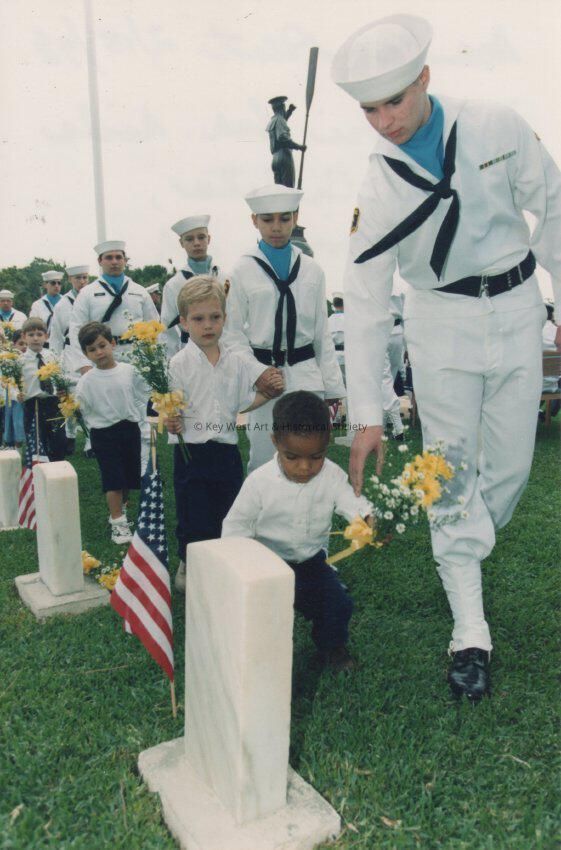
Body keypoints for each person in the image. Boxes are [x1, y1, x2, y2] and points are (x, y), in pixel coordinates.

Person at [331, 14, 561, 700]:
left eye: (393, 102)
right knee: (450, 472)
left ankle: (459, 543)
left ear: (425, 78)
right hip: (439, 322)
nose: (384, 122)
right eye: (369, 110)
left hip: (516, 307)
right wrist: (367, 414)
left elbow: (552, 209)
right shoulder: (378, 185)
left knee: (510, 469)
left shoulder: (494, 125)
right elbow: (364, 301)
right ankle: (469, 632)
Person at [222, 391, 372, 672]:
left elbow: (351, 501)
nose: (305, 467)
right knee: (265, 615)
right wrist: (241, 566)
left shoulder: (332, 476)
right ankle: (264, 655)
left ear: (327, 444)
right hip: (267, 565)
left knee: (336, 604)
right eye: (292, 457)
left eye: (316, 457)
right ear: (275, 442)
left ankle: (332, 648)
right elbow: (236, 527)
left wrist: (365, 517)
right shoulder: (259, 483)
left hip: (311, 563)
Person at [165, 276, 283, 592]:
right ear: (184, 322)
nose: (208, 325)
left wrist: (267, 395)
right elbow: (170, 408)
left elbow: (243, 402)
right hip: (191, 452)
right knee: (193, 512)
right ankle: (190, 561)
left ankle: (226, 562)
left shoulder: (236, 362)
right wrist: (171, 420)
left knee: (228, 509)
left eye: (215, 317)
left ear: (225, 319)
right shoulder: (178, 364)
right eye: (198, 319)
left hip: (226, 451)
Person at [222, 184, 345, 474]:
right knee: (264, 460)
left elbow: (321, 332)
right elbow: (232, 333)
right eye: (267, 219)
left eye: (284, 218)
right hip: (265, 379)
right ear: (254, 220)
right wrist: (257, 372)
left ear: (296, 218)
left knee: (308, 456)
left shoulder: (312, 269)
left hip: (306, 374)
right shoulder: (241, 270)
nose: (276, 227)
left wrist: (332, 386)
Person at [75, 322, 149, 545]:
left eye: (102, 346)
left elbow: (141, 393)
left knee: (127, 477)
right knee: (113, 479)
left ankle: (121, 510)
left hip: (129, 429)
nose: (99, 352)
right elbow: (81, 407)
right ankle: (117, 522)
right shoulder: (87, 381)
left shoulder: (129, 371)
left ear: (113, 344)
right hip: (104, 434)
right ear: (86, 354)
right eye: (92, 350)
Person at [68, 241, 159, 374]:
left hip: (138, 356)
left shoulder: (139, 291)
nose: (114, 262)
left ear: (125, 261)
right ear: (100, 261)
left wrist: (155, 359)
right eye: (109, 258)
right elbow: (76, 329)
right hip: (102, 357)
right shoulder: (87, 293)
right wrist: (84, 364)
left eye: (118, 257)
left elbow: (154, 324)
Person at [162, 216, 226, 357]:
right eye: (189, 239)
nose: (196, 243)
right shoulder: (174, 285)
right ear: (181, 243)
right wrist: (171, 362)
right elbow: (168, 331)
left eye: (201, 237)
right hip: (190, 353)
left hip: (226, 350)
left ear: (209, 239)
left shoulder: (224, 278)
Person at [50, 265, 91, 454]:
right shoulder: (62, 304)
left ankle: (90, 440)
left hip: (90, 351)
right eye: (78, 278)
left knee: (89, 397)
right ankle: (70, 434)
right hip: (69, 354)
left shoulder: (92, 297)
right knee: (70, 397)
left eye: (85, 277)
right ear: (70, 280)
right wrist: (55, 362)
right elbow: (56, 336)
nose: (82, 282)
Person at [18, 318, 67, 460]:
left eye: (39, 334)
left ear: (46, 336)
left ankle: (57, 464)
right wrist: (17, 394)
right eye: (31, 335)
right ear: (24, 337)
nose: (35, 338)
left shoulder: (52, 356)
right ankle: (39, 467)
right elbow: (13, 384)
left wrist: (62, 390)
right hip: (33, 405)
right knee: (38, 440)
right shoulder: (21, 361)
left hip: (53, 403)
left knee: (58, 440)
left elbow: (59, 377)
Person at [266, 96, 306, 188]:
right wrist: (299, 147)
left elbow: (282, 121)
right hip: (284, 156)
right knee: (288, 189)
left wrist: (290, 111)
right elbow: (282, 137)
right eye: (284, 108)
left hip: (275, 159)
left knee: (279, 191)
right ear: (282, 108)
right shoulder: (280, 120)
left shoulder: (273, 120)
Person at [2, 329, 26, 447]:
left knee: (23, 423)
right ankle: (16, 447)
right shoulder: (11, 360)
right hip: (14, 397)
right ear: (14, 344)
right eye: (21, 344)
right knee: (16, 423)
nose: (24, 347)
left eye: (26, 344)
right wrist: (16, 394)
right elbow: (9, 380)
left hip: (27, 395)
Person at [29, 271, 63, 343]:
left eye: (59, 283)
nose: (56, 286)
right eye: (53, 283)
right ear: (45, 285)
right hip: (43, 343)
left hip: (63, 342)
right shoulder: (37, 305)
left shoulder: (67, 302)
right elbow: (32, 325)